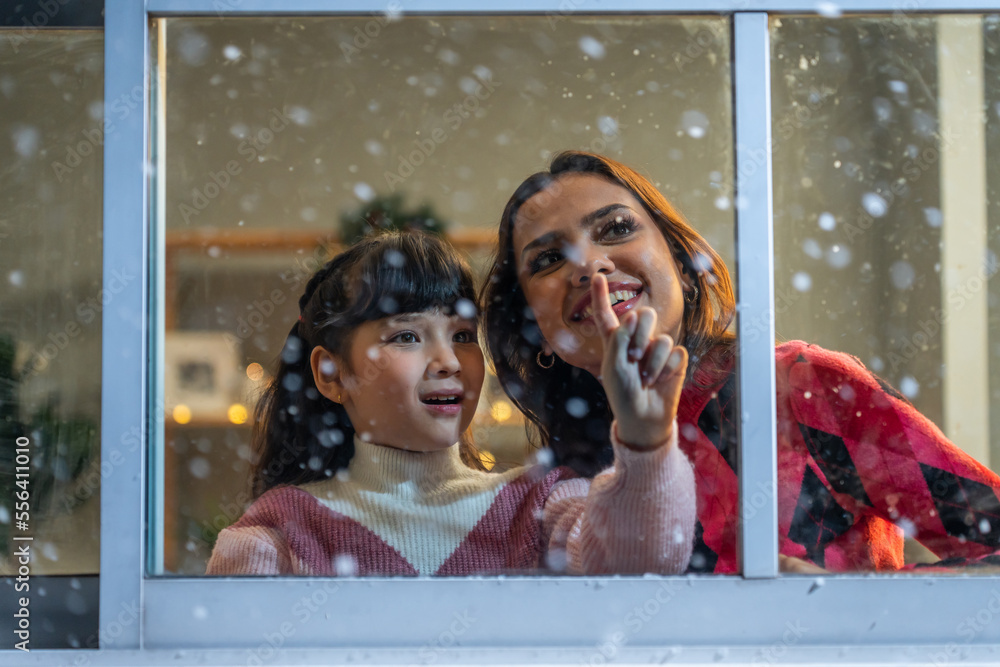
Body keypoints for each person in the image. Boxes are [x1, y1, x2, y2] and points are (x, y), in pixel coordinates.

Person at [482, 150, 1000, 574]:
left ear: (683, 268)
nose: (590, 264)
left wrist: (836, 605)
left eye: (615, 228)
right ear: (535, 329)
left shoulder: (799, 387)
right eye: (548, 259)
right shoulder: (558, 486)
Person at [207, 231, 696, 576]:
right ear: (332, 374)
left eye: (463, 335)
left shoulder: (542, 507)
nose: (449, 361)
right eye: (406, 335)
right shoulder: (276, 536)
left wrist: (645, 442)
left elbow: (643, 567)